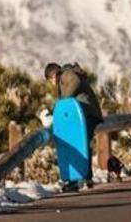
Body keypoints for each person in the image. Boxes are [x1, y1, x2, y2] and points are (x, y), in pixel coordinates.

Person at [44, 61, 104, 191]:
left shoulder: (66, 74)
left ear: (52, 75)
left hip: (85, 113)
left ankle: (79, 179)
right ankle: (83, 178)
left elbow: (75, 81)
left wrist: (64, 100)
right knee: (83, 145)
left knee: (79, 146)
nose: (51, 83)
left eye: (50, 80)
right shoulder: (66, 74)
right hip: (86, 113)